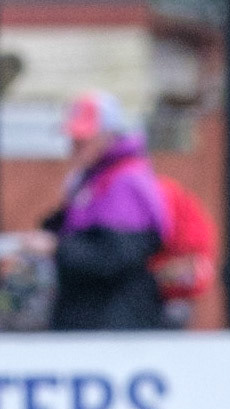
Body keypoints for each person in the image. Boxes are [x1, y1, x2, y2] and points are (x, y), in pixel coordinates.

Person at [23, 90, 170, 331]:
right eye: (74, 139)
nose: (74, 146)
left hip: (115, 323)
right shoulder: (93, 179)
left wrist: (56, 247)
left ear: (109, 136)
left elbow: (116, 256)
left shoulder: (125, 183)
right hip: (91, 318)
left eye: (83, 139)